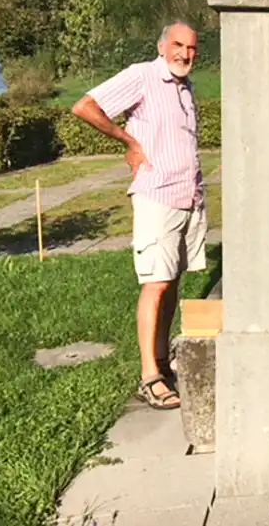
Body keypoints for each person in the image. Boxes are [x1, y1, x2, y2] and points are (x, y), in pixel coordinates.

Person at [71, 21, 206, 410]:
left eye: (192, 48)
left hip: (187, 195)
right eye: (178, 46)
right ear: (162, 46)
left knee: (173, 281)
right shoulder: (143, 76)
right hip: (156, 197)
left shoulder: (184, 87)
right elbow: (85, 106)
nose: (185, 54)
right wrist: (128, 141)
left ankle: (163, 361)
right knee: (156, 284)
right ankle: (149, 377)